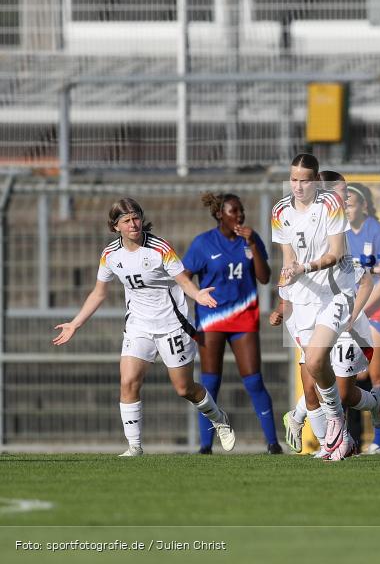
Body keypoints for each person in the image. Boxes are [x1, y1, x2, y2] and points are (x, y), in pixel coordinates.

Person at [52, 198, 235, 456]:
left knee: (184, 388)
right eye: (126, 220)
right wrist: (75, 324)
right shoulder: (110, 254)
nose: (133, 224)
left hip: (172, 325)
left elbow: (183, 280)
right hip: (138, 326)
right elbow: (99, 293)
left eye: (136, 217)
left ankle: (218, 418)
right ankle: (134, 447)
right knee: (128, 382)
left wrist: (198, 295)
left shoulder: (159, 248)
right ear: (115, 226)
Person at [271, 154, 361, 461]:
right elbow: (287, 259)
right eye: (294, 179)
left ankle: (336, 420)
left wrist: (304, 267)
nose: (298, 186)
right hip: (303, 298)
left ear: (316, 179)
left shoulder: (330, 206)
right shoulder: (280, 211)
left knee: (316, 357)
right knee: (313, 366)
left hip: (335, 292)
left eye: (305, 180)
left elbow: (337, 252)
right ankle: (340, 438)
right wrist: (284, 289)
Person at [182, 192, 280, 455]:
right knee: (210, 383)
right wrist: (191, 302)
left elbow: (264, 277)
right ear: (219, 215)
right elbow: (184, 277)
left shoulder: (250, 239)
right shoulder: (203, 243)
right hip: (212, 319)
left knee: (254, 381)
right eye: (233, 211)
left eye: (241, 211)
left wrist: (254, 246)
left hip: (244, 318)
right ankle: (206, 446)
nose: (239, 216)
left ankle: (272, 443)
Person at [344, 182, 380, 454]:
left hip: (374, 310)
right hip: (350, 311)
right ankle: (346, 439)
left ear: (363, 206)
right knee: (346, 374)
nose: (346, 208)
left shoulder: (375, 230)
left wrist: (362, 308)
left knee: (377, 374)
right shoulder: (339, 233)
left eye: (351, 203)